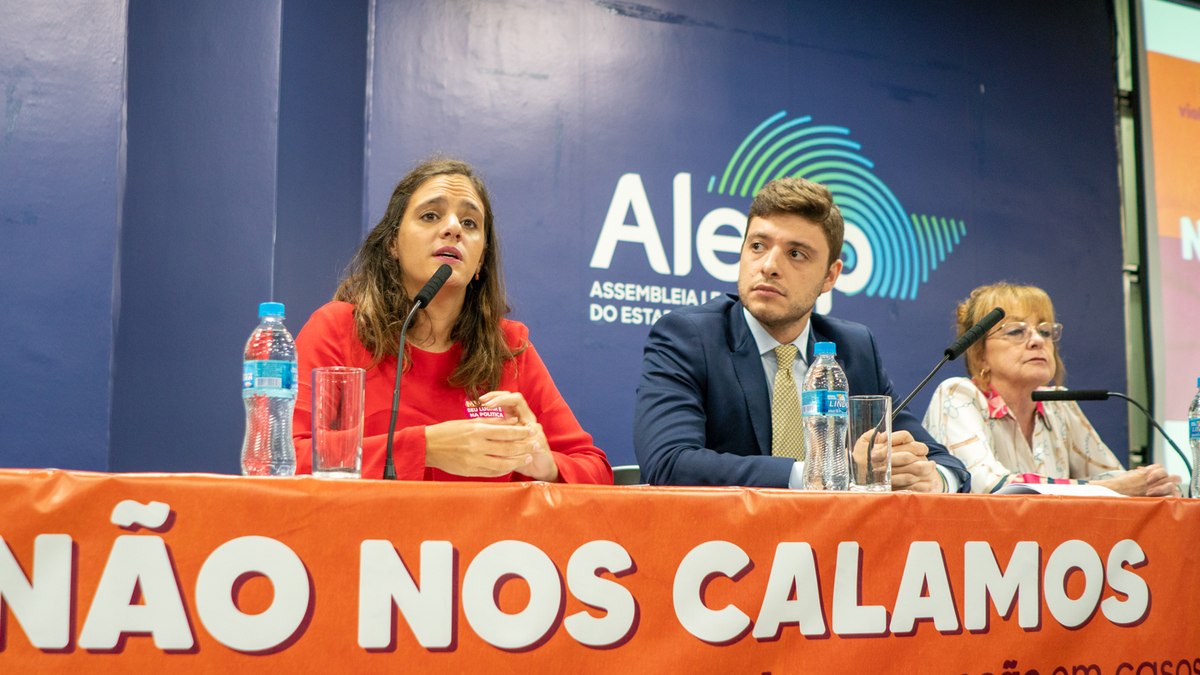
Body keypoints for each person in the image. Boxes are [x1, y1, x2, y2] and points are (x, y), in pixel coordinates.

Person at [633, 176, 970, 492]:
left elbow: (946, 464)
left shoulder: (853, 349)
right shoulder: (690, 336)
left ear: (830, 276)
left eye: (796, 254)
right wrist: (817, 474)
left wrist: (932, 479)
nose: (769, 265)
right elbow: (668, 462)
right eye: (758, 246)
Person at [292, 158, 612, 483]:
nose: (453, 228)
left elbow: (596, 470)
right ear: (392, 244)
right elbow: (291, 459)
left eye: (470, 223)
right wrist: (426, 447)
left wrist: (543, 462)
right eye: (430, 215)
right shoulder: (339, 329)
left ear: (480, 260)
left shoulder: (509, 348)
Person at [922, 282, 1181, 496]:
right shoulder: (959, 395)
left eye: (1045, 331)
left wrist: (1151, 483)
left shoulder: (1058, 403)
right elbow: (990, 486)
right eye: (1015, 332)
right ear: (980, 353)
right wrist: (1109, 488)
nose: (1037, 341)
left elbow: (1116, 476)